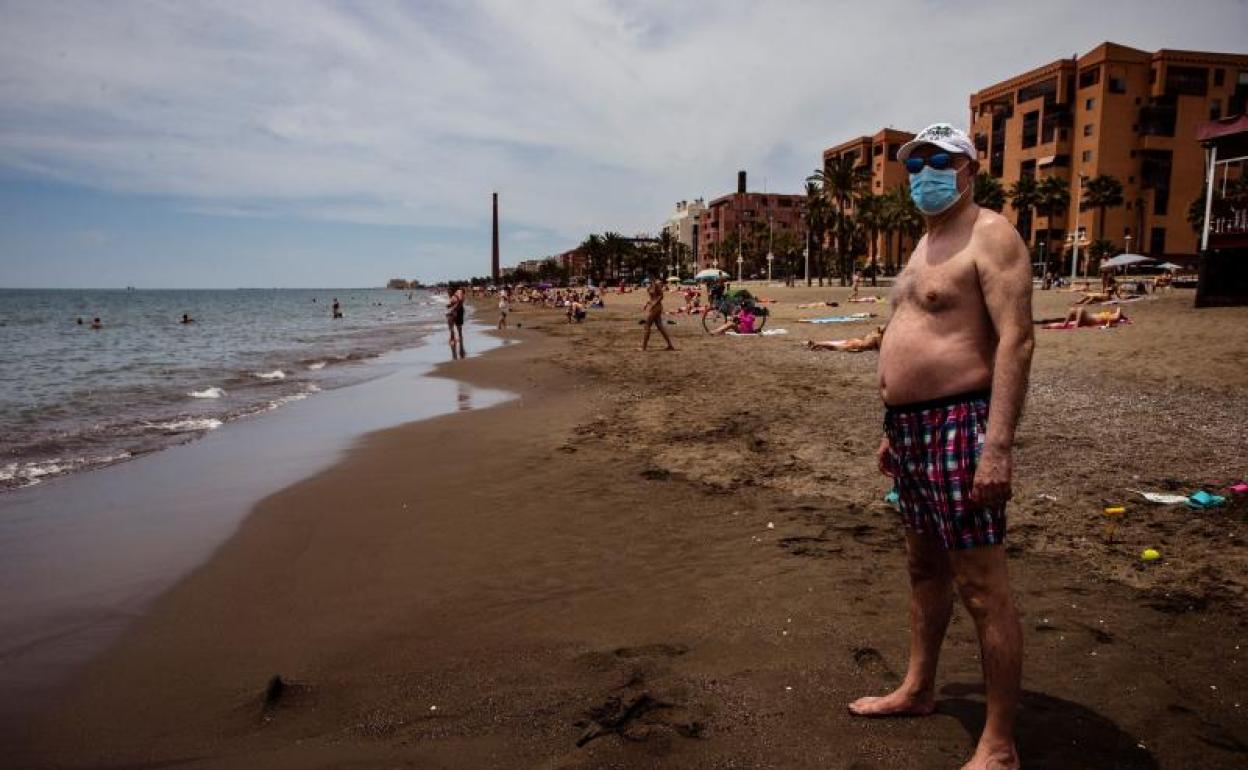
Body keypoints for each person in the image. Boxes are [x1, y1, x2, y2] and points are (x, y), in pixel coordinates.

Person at [852, 123, 1034, 770]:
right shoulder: (925, 244)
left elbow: (1017, 340)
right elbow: (915, 329)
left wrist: (998, 447)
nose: (925, 172)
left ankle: (999, 744)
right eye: (916, 163)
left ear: (970, 170)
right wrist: (891, 429)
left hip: (962, 424)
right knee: (924, 569)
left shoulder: (991, 234)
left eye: (940, 160)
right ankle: (918, 688)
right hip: (911, 431)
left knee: (982, 587)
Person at [639, 275, 675, 351]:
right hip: (656, 307)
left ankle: (643, 347)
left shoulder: (656, 285)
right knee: (660, 327)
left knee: (647, 326)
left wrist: (654, 303)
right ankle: (670, 345)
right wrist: (647, 303)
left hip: (655, 308)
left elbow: (661, 295)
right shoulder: (651, 285)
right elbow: (652, 297)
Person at [804, 325, 884, 352]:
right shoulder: (877, 337)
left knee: (835, 343)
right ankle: (817, 344)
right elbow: (880, 348)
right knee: (835, 347)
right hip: (857, 344)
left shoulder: (872, 334)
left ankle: (815, 343)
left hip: (856, 341)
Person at [446, 288, 466, 358]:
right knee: (458, 328)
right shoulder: (456, 296)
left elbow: (459, 301)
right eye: (448, 292)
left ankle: (453, 340)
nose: (448, 293)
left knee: (452, 326)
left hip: (457, 311)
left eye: (449, 292)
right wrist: (450, 305)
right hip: (459, 311)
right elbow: (459, 302)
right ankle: (458, 342)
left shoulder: (457, 295)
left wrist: (454, 308)